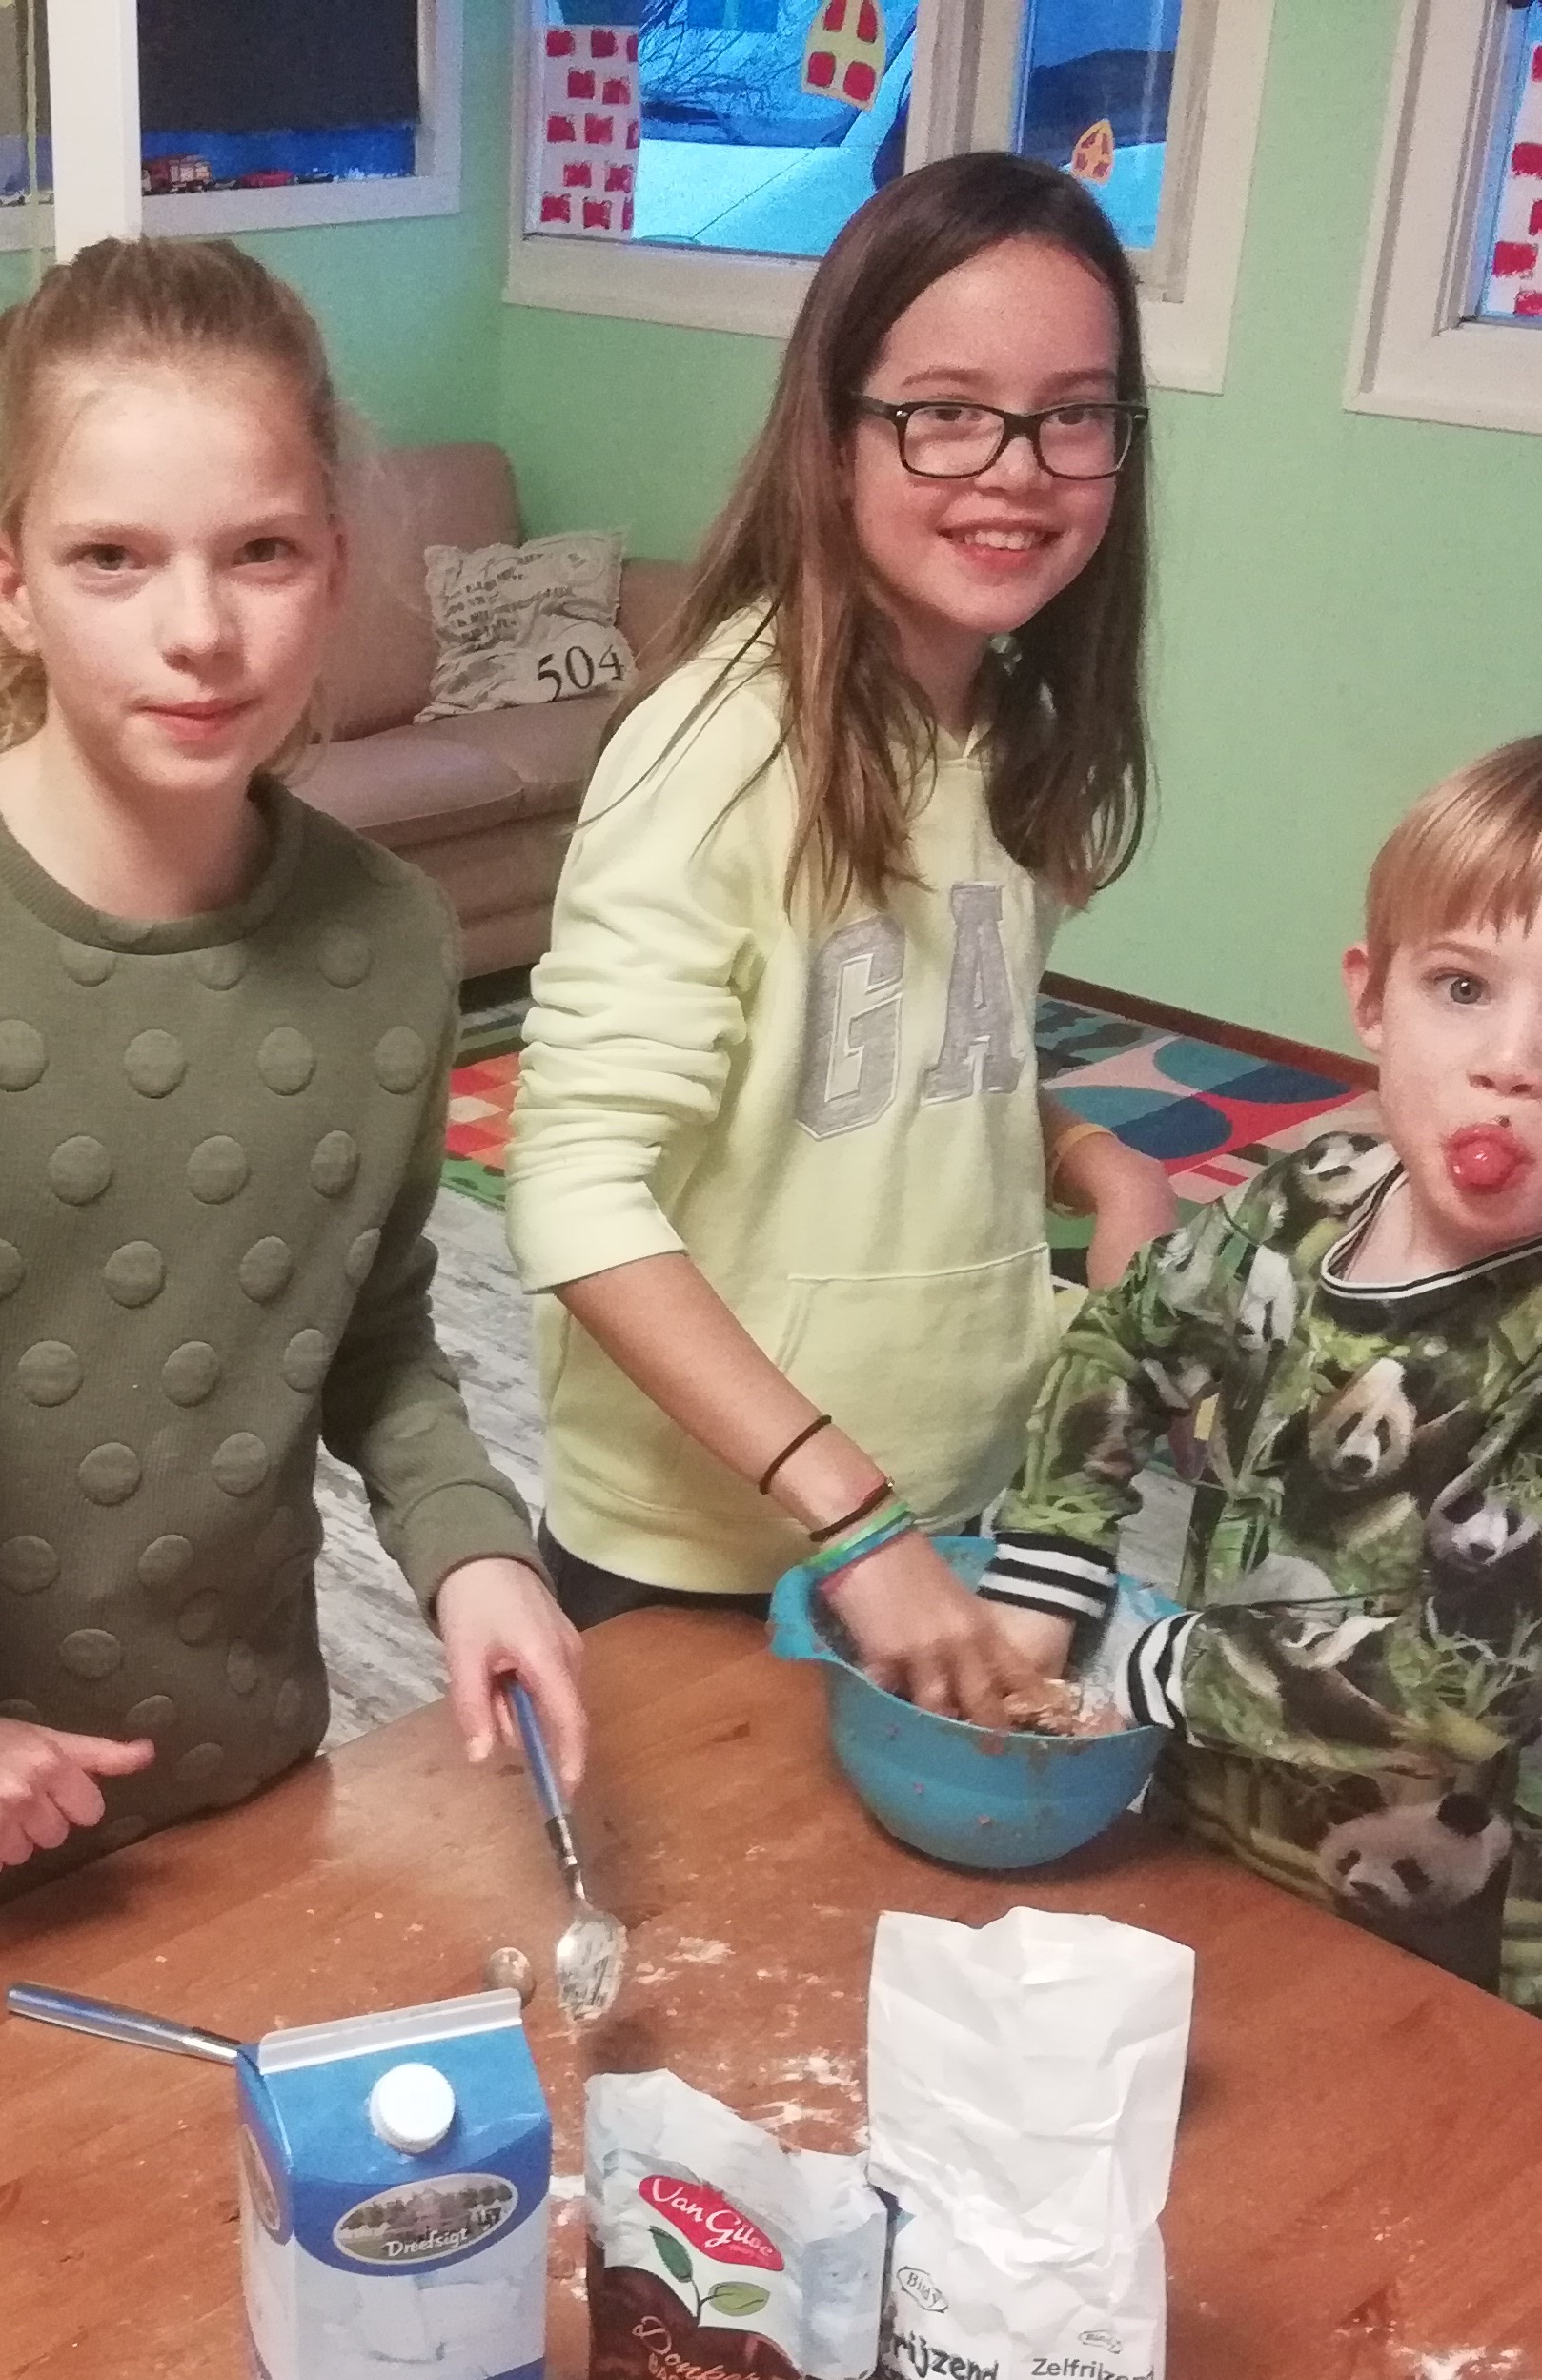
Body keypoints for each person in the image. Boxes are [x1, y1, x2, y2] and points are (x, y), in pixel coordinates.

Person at [0, 237, 583, 1955]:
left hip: (254, 1775)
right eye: (112, 559)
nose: (198, 632)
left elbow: (372, 1327)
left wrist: (473, 1546)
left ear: (336, 570)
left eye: (260, 552)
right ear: (10, 585)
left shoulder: (391, 940)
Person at [973, 733, 1542, 2166]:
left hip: (1465, 1906)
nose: (1511, 1064)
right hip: (1225, 1786)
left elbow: (1449, 1689)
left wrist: (1122, 1663)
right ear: (1372, 998)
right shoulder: (1316, 1187)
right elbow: (1123, 1343)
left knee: (1404, 2185)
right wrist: (1048, 1570)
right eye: (1462, 988)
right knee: (1225, 2139)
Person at [501, 153, 1182, 1726]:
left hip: (953, 1499)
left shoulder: (1009, 730)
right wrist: (854, 1516)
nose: (1017, 470)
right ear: (832, 436)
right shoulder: (718, 751)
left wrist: (1094, 1164)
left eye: (1074, 415)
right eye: (945, 411)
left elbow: (906, 1061)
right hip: (711, 1550)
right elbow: (573, 1189)